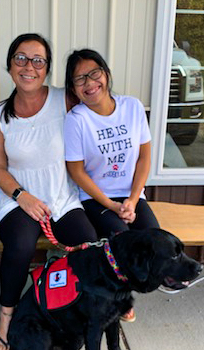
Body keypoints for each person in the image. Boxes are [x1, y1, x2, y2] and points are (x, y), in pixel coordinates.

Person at [0, 34, 97, 350]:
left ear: (47, 68)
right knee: (20, 247)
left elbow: (101, 114)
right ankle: (7, 316)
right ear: (10, 65)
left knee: (87, 245)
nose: (29, 67)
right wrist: (23, 196)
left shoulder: (64, 100)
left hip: (61, 197)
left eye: (38, 60)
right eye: (21, 58)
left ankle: (74, 311)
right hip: (17, 199)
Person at [63, 48, 160, 323]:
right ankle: (120, 299)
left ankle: (125, 289)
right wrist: (111, 205)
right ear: (73, 88)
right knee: (121, 241)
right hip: (96, 199)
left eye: (94, 73)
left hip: (130, 195)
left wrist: (132, 199)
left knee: (156, 239)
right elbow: (76, 171)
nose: (89, 83)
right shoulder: (76, 120)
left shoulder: (132, 107)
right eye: (80, 79)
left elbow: (144, 157)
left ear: (106, 74)